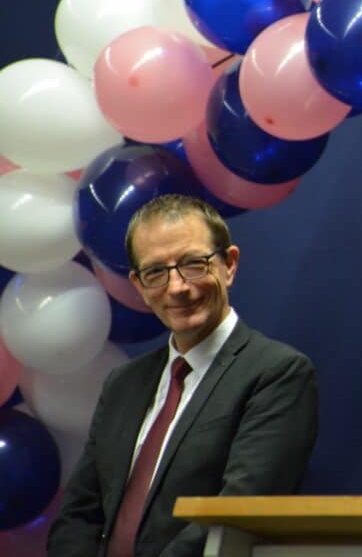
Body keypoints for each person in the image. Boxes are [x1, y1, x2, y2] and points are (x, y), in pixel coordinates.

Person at [49, 194, 319, 557]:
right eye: (156, 272)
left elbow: (239, 512)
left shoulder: (277, 374)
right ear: (140, 287)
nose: (177, 287)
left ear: (229, 265)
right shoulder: (123, 383)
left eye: (193, 264)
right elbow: (78, 514)